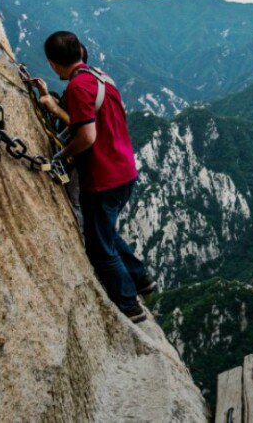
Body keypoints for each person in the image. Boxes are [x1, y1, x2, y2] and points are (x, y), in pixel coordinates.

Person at [33, 31, 156, 323]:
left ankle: (130, 306)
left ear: (52, 63)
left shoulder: (77, 88)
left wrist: (62, 155)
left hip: (103, 178)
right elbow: (97, 121)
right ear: (81, 51)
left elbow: (87, 134)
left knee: (100, 246)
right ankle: (141, 278)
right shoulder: (102, 78)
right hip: (125, 171)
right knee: (107, 231)